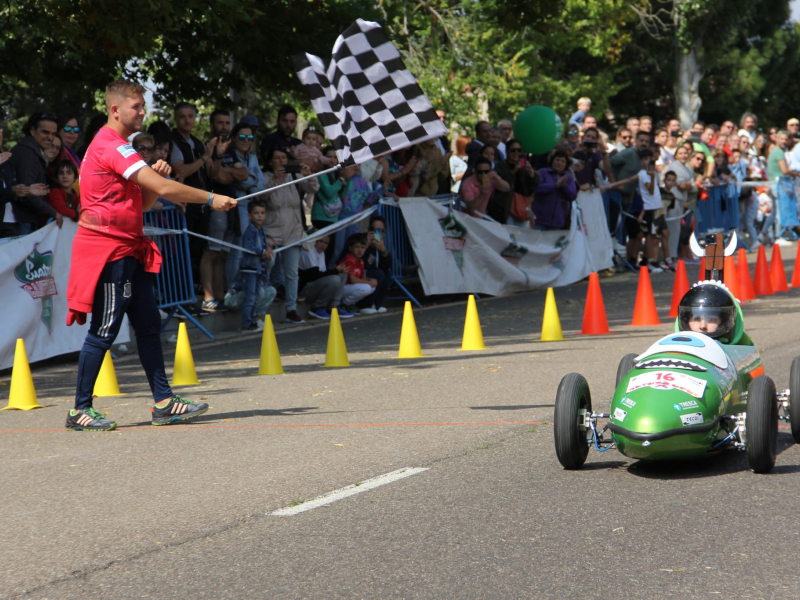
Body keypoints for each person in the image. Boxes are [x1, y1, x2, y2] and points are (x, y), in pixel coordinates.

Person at [64, 79, 237, 431]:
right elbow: (163, 189)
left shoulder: (120, 147)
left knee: (149, 326)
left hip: (130, 249)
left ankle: (163, 401)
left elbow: (144, 202)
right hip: (110, 251)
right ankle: (79, 410)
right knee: (104, 329)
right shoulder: (112, 146)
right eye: (136, 107)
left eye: (143, 106)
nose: (143, 112)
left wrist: (150, 181)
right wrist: (208, 197)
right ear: (115, 110)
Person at [263, 147, 318, 324]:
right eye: (277, 158)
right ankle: (261, 306)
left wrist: (309, 174)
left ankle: (291, 309)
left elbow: (313, 187)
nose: (281, 161)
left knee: (292, 272)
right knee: (267, 265)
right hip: (272, 231)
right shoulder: (265, 177)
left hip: (293, 231)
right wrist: (274, 180)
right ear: (271, 162)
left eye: (284, 158)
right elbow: (261, 197)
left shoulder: (293, 177)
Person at [9, 111, 62, 234]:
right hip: (20, 222)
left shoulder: (31, 151)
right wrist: (54, 213)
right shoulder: (27, 154)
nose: (50, 137)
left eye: (53, 134)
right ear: (33, 131)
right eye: (45, 132)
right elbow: (27, 194)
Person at [238, 200, 276, 332]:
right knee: (250, 297)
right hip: (250, 268)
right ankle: (246, 323)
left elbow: (264, 244)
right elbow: (249, 247)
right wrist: (263, 252)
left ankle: (253, 320)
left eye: (262, 213)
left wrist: (268, 249)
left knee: (256, 296)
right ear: (249, 216)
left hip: (259, 268)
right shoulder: (250, 230)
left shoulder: (262, 230)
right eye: (256, 213)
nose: (259, 216)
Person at [299, 236, 351, 320]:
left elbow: (323, 274)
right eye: (321, 241)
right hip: (305, 288)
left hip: (315, 285)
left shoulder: (321, 253)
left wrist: (336, 270)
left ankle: (334, 306)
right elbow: (314, 276)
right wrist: (335, 271)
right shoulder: (309, 251)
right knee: (334, 279)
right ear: (315, 241)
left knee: (342, 274)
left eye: (326, 243)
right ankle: (317, 308)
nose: (323, 245)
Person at [492, 138, 539, 226]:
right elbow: (502, 183)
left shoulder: (524, 166)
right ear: (507, 151)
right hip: (506, 208)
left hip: (522, 206)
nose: (516, 153)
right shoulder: (501, 165)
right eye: (513, 150)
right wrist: (514, 170)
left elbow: (534, 185)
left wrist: (531, 173)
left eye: (519, 150)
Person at [677, 282, 743, 344]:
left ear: (724, 322)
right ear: (686, 320)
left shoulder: (742, 350)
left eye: (712, 320)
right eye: (696, 319)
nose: (703, 326)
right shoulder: (675, 348)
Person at [532, 149, 578, 231]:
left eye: (563, 161)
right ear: (552, 160)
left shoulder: (568, 177)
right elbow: (537, 188)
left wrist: (563, 186)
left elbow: (573, 195)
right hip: (540, 219)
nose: (559, 163)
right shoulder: (543, 172)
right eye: (557, 160)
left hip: (557, 221)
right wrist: (555, 185)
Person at [357, 215, 393, 314]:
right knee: (378, 274)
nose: (376, 233)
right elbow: (355, 258)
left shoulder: (380, 245)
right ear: (369, 230)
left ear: (384, 233)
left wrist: (384, 251)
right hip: (357, 273)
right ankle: (364, 305)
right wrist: (366, 244)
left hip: (372, 274)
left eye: (380, 231)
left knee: (386, 273)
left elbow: (387, 266)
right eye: (373, 229)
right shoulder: (359, 239)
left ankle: (377, 304)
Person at [338, 233, 377, 312]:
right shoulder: (349, 259)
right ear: (350, 248)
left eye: (362, 247)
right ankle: (344, 304)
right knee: (367, 288)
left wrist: (370, 280)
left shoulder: (361, 261)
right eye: (357, 247)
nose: (360, 250)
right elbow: (353, 280)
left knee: (372, 286)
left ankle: (351, 304)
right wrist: (369, 283)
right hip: (341, 288)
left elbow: (362, 277)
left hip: (350, 288)